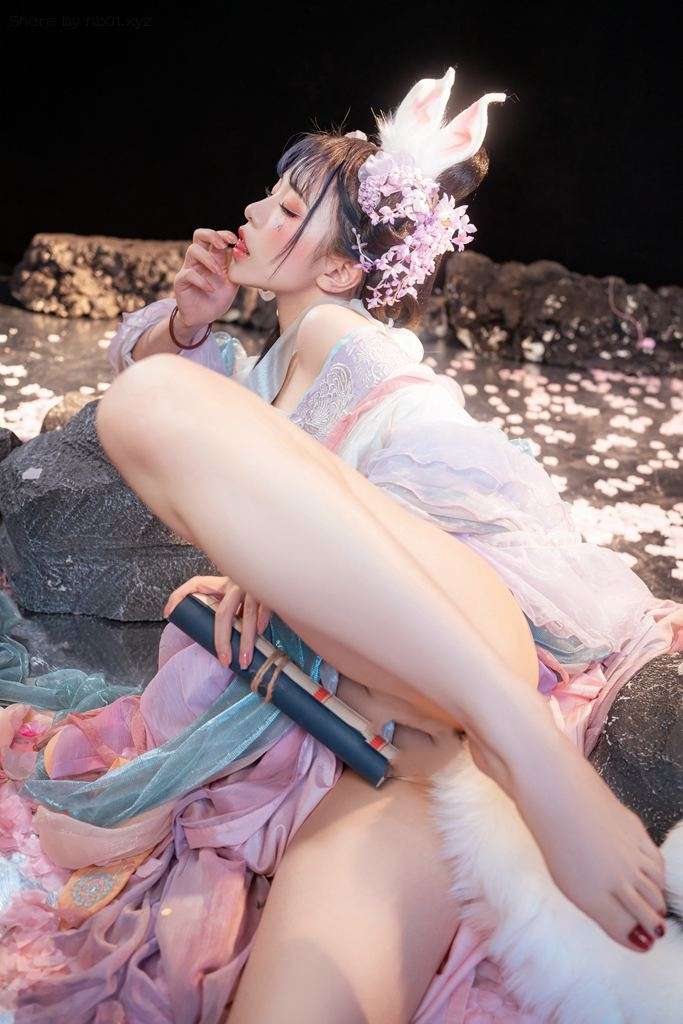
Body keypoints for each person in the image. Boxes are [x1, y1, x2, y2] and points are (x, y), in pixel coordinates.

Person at [0, 68, 679, 1023]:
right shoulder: (280, 364)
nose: (250, 213)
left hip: (472, 647)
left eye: (284, 207)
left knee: (151, 401)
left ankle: (537, 760)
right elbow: (196, 429)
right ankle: (512, 760)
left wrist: (285, 568)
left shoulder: (353, 344)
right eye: (269, 197)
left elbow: (451, 486)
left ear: (339, 272)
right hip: (397, 737)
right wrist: (190, 325)